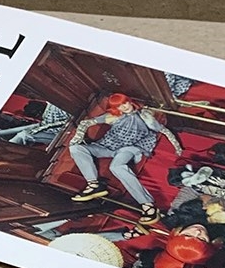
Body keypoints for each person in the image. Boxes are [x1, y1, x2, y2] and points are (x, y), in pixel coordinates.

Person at [68, 94, 183, 224]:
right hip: (107, 146)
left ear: (130, 101)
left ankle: (147, 205)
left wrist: (177, 147)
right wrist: (77, 137)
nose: (124, 107)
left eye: (125, 103)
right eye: (119, 106)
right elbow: (85, 123)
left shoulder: (144, 115)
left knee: (116, 167)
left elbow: (164, 130)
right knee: (76, 148)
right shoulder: (113, 116)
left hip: (129, 148)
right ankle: (94, 184)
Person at [0, 101, 69, 146]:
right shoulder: (53, 104)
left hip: (66, 135)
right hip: (65, 131)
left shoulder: (47, 119)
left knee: (24, 135)